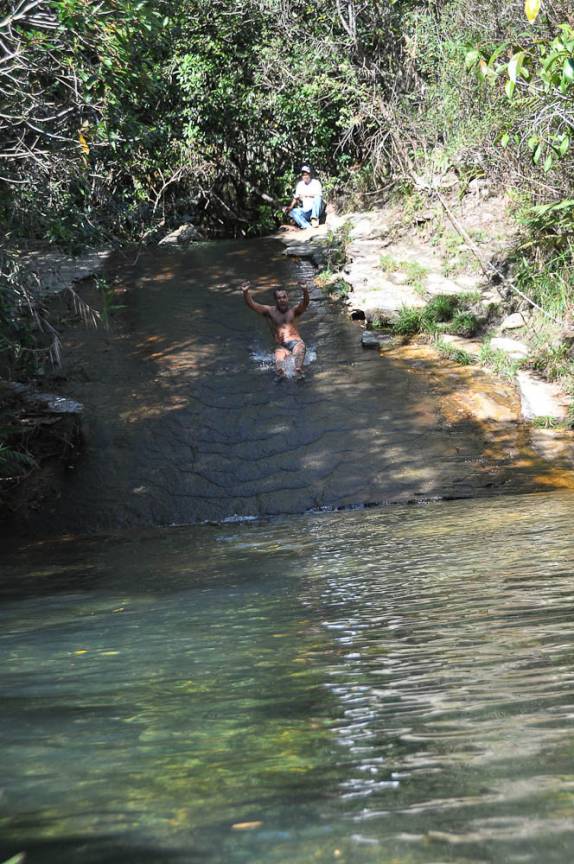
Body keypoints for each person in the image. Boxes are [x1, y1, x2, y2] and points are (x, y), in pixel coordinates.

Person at [242, 281, 310, 377]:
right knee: (279, 369)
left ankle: (298, 371)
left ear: (287, 298)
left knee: (298, 362)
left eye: (284, 297)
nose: (282, 300)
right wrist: (245, 292)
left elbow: (305, 303)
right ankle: (282, 377)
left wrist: (305, 289)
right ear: (275, 300)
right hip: (281, 346)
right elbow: (252, 305)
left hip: (296, 343)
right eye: (279, 298)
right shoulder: (269, 311)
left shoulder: (294, 311)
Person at [284, 165, 323, 230]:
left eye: (306, 174)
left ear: (309, 174)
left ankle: (314, 219)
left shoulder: (316, 183)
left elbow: (318, 196)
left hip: (315, 209)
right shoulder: (300, 185)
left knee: (317, 198)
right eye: (303, 175)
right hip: (306, 210)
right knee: (293, 212)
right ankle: (307, 226)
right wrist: (290, 207)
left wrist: (306, 195)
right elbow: (296, 198)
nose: (305, 176)